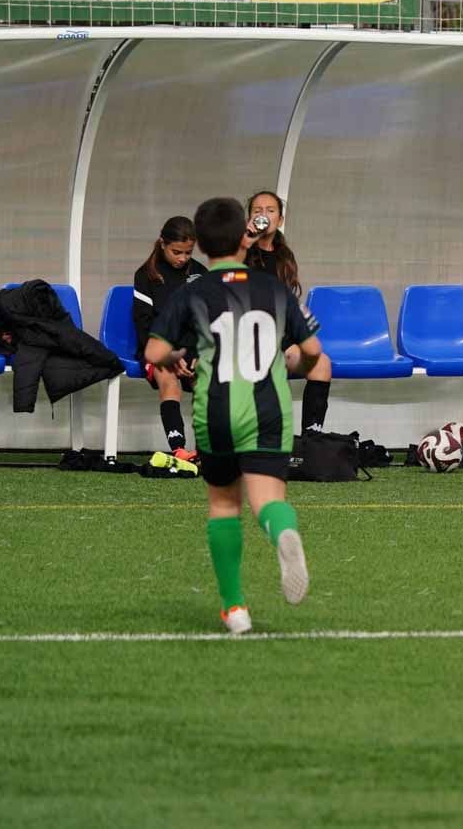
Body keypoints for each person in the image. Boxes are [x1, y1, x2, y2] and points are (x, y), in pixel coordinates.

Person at [144, 197, 325, 635]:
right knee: (268, 501)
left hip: (218, 410)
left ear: (202, 245)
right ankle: (281, 530)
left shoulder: (193, 292)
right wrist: (290, 359)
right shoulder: (275, 290)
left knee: (224, 503)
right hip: (267, 410)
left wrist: (180, 351)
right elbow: (312, 353)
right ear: (244, 235)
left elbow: (153, 352)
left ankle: (235, 608)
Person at [242, 190, 333, 434]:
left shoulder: (284, 256)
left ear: (280, 219)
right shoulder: (241, 250)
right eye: (257, 211)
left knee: (321, 363)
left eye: (270, 211)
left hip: (281, 339)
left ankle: (311, 439)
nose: (264, 216)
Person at [132, 216, 207, 463]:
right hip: (158, 350)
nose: (183, 258)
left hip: (192, 351)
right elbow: (145, 326)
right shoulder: (145, 276)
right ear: (162, 243)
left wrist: (194, 354)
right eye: (177, 252)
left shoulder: (200, 273)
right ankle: (179, 450)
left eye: (188, 252)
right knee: (169, 380)